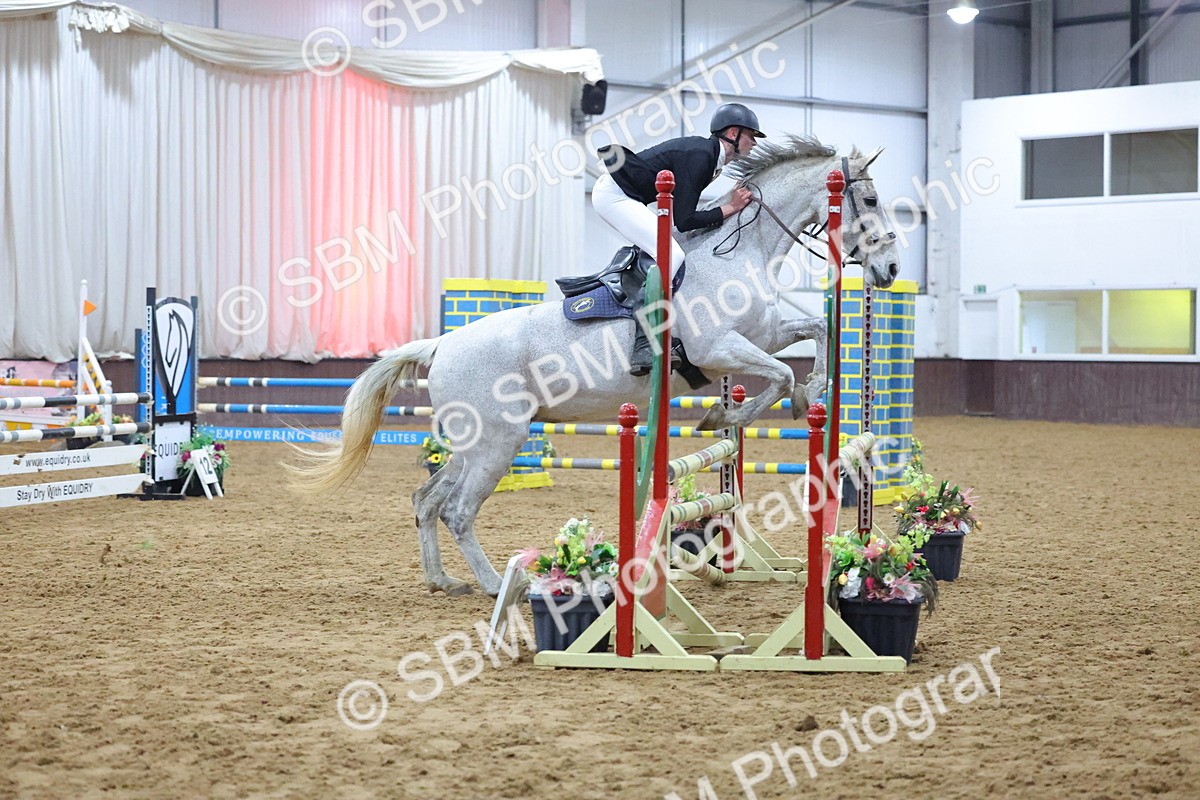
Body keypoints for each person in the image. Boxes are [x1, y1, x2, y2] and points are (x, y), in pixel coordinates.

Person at [592, 102, 767, 375]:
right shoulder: (702, 156)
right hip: (615, 196)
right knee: (672, 255)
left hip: (632, 196)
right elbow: (685, 221)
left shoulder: (711, 158)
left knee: (674, 247)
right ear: (733, 132)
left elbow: (680, 217)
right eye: (751, 136)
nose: (754, 143)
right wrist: (730, 208)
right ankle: (643, 343)